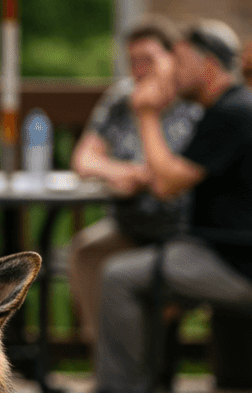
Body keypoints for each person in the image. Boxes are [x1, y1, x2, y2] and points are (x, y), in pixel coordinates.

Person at [57, 19, 252, 393]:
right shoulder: (241, 105)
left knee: (118, 276)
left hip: (242, 262)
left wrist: (148, 114)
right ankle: (128, 383)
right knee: (104, 258)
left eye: (181, 62)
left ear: (207, 67)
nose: (174, 71)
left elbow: (168, 184)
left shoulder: (228, 114)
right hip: (249, 251)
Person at [68, 17, 202, 345]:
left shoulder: (193, 104)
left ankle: (139, 373)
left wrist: (153, 173)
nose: (140, 70)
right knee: (85, 252)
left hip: (181, 230)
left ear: (173, 59)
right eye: (133, 62)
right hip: (130, 225)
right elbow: (84, 158)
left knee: (127, 278)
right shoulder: (121, 99)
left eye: (150, 60)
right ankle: (105, 364)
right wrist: (120, 172)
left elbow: (177, 178)